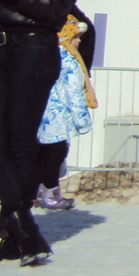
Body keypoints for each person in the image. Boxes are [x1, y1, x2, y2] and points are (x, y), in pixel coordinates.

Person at [0, 0, 85, 266]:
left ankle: (24, 234)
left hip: (31, 51)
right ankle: (18, 233)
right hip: (3, 48)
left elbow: (53, 9)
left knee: (18, 142)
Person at [34, 13, 96, 211]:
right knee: (56, 155)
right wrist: (83, 121)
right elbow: (74, 93)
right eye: (76, 37)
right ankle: (51, 193)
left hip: (41, 117)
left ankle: (32, 193)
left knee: (40, 155)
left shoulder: (43, 54)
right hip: (57, 119)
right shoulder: (68, 60)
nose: (78, 42)